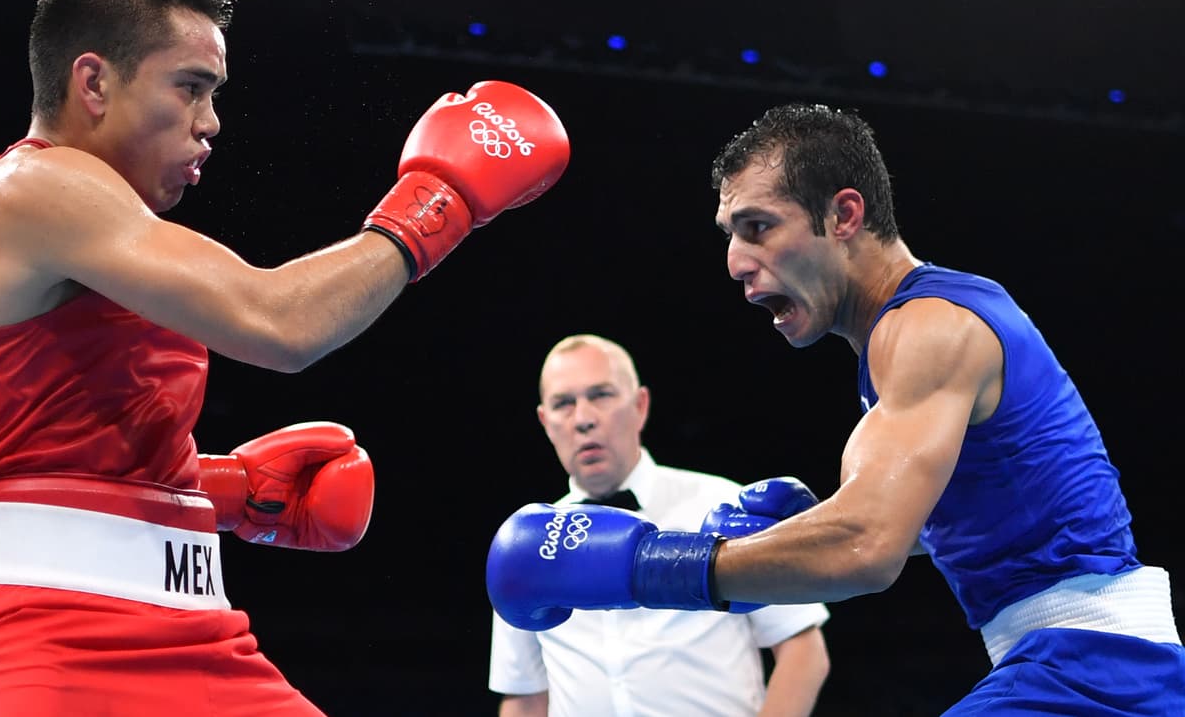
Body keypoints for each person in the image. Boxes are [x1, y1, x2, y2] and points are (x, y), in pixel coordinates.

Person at [0, 0, 570, 716]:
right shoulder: (22, 193)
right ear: (93, 83)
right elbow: (277, 322)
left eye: (213, 94)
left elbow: (51, 434)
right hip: (46, 640)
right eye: (189, 87)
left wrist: (224, 490)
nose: (210, 121)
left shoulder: (113, 233)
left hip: (197, 634)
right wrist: (441, 201)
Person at [487, 103, 1185, 714]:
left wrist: (648, 565)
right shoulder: (903, 344)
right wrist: (806, 526)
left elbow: (868, 547)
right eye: (730, 232)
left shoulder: (926, 329)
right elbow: (925, 525)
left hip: (1098, 665)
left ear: (844, 214)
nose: (735, 260)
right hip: (1073, 663)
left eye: (759, 226)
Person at [488, 334, 830, 717]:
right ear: (545, 422)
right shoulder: (528, 544)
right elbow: (525, 698)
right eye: (564, 403)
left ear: (640, 405)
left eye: (601, 395)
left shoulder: (720, 504)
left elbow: (802, 647)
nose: (583, 419)